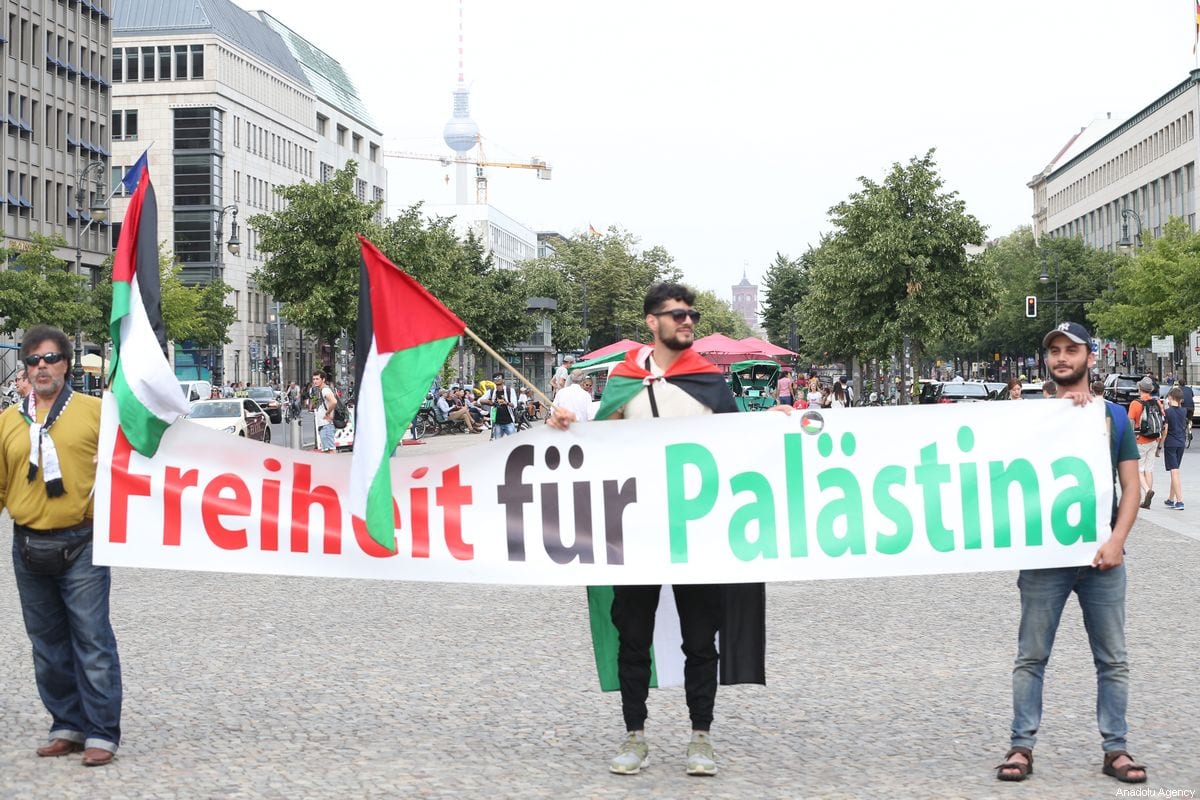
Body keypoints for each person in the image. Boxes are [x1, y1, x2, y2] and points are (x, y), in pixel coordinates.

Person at [547, 283, 769, 778]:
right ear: (653, 322)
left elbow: (741, 443)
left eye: (691, 314)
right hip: (637, 533)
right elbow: (600, 443)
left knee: (699, 640)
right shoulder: (625, 381)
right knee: (633, 637)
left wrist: (773, 425)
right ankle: (635, 735)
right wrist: (567, 425)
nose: (688, 322)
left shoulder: (709, 382)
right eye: (678, 315)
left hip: (697, 534)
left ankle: (700, 738)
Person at [996, 322, 1146, 785]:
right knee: (1031, 656)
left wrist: (1117, 541)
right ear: (1047, 360)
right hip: (1045, 560)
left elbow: (1132, 486)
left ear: (1089, 357)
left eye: (1071, 350)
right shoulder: (1028, 416)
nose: (1062, 358)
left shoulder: (1113, 417)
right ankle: (1021, 746)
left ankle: (1115, 749)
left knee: (1113, 658)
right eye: (1054, 351)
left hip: (1101, 560)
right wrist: (1055, 419)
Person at [0, 325, 121, 766]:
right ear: (26, 370)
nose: (41, 366)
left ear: (66, 363)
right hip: (28, 546)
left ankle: (102, 733)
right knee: (46, 645)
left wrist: (112, 461)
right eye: (32, 360)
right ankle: (66, 724)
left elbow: (141, 457)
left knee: (92, 641)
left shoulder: (97, 412)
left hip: (82, 543)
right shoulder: (9, 422)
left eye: (50, 358)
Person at [1126, 377, 1164, 509]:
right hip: (1153, 439)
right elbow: (1162, 420)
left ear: (1140, 389)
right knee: (1149, 470)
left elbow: (1129, 424)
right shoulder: (1157, 402)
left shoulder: (1135, 404)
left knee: (1138, 470)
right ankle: (1147, 500)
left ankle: (1147, 491)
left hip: (1140, 440)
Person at [1162, 386, 1187, 510]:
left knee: (1174, 471)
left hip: (1171, 443)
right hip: (1181, 442)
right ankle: (1171, 499)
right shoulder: (1184, 411)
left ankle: (1180, 501)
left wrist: (1160, 445)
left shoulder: (1167, 412)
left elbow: (1165, 431)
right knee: (1175, 470)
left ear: (1170, 397)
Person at [480, 373, 519, 439]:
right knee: (497, 444)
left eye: (499, 378)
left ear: (503, 380)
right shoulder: (491, 392)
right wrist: (489, 402)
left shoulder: (509, 390)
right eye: (495, 379)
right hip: (497, 422)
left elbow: (514, 405)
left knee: (513, 441)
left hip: (508, 422)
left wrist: (506, 403)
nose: (497, 380)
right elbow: (480, 400)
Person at [311, 371, 337, 452]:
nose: (315, 381)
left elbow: (334, 401)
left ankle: (333, 465)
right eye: (314, 379)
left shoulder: (325, 390)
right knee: (326, 450)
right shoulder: (322, 390)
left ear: (323, 379)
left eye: (317, 379)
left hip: (326, 425)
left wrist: (327, 413)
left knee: (330, 450)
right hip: (324, 426)